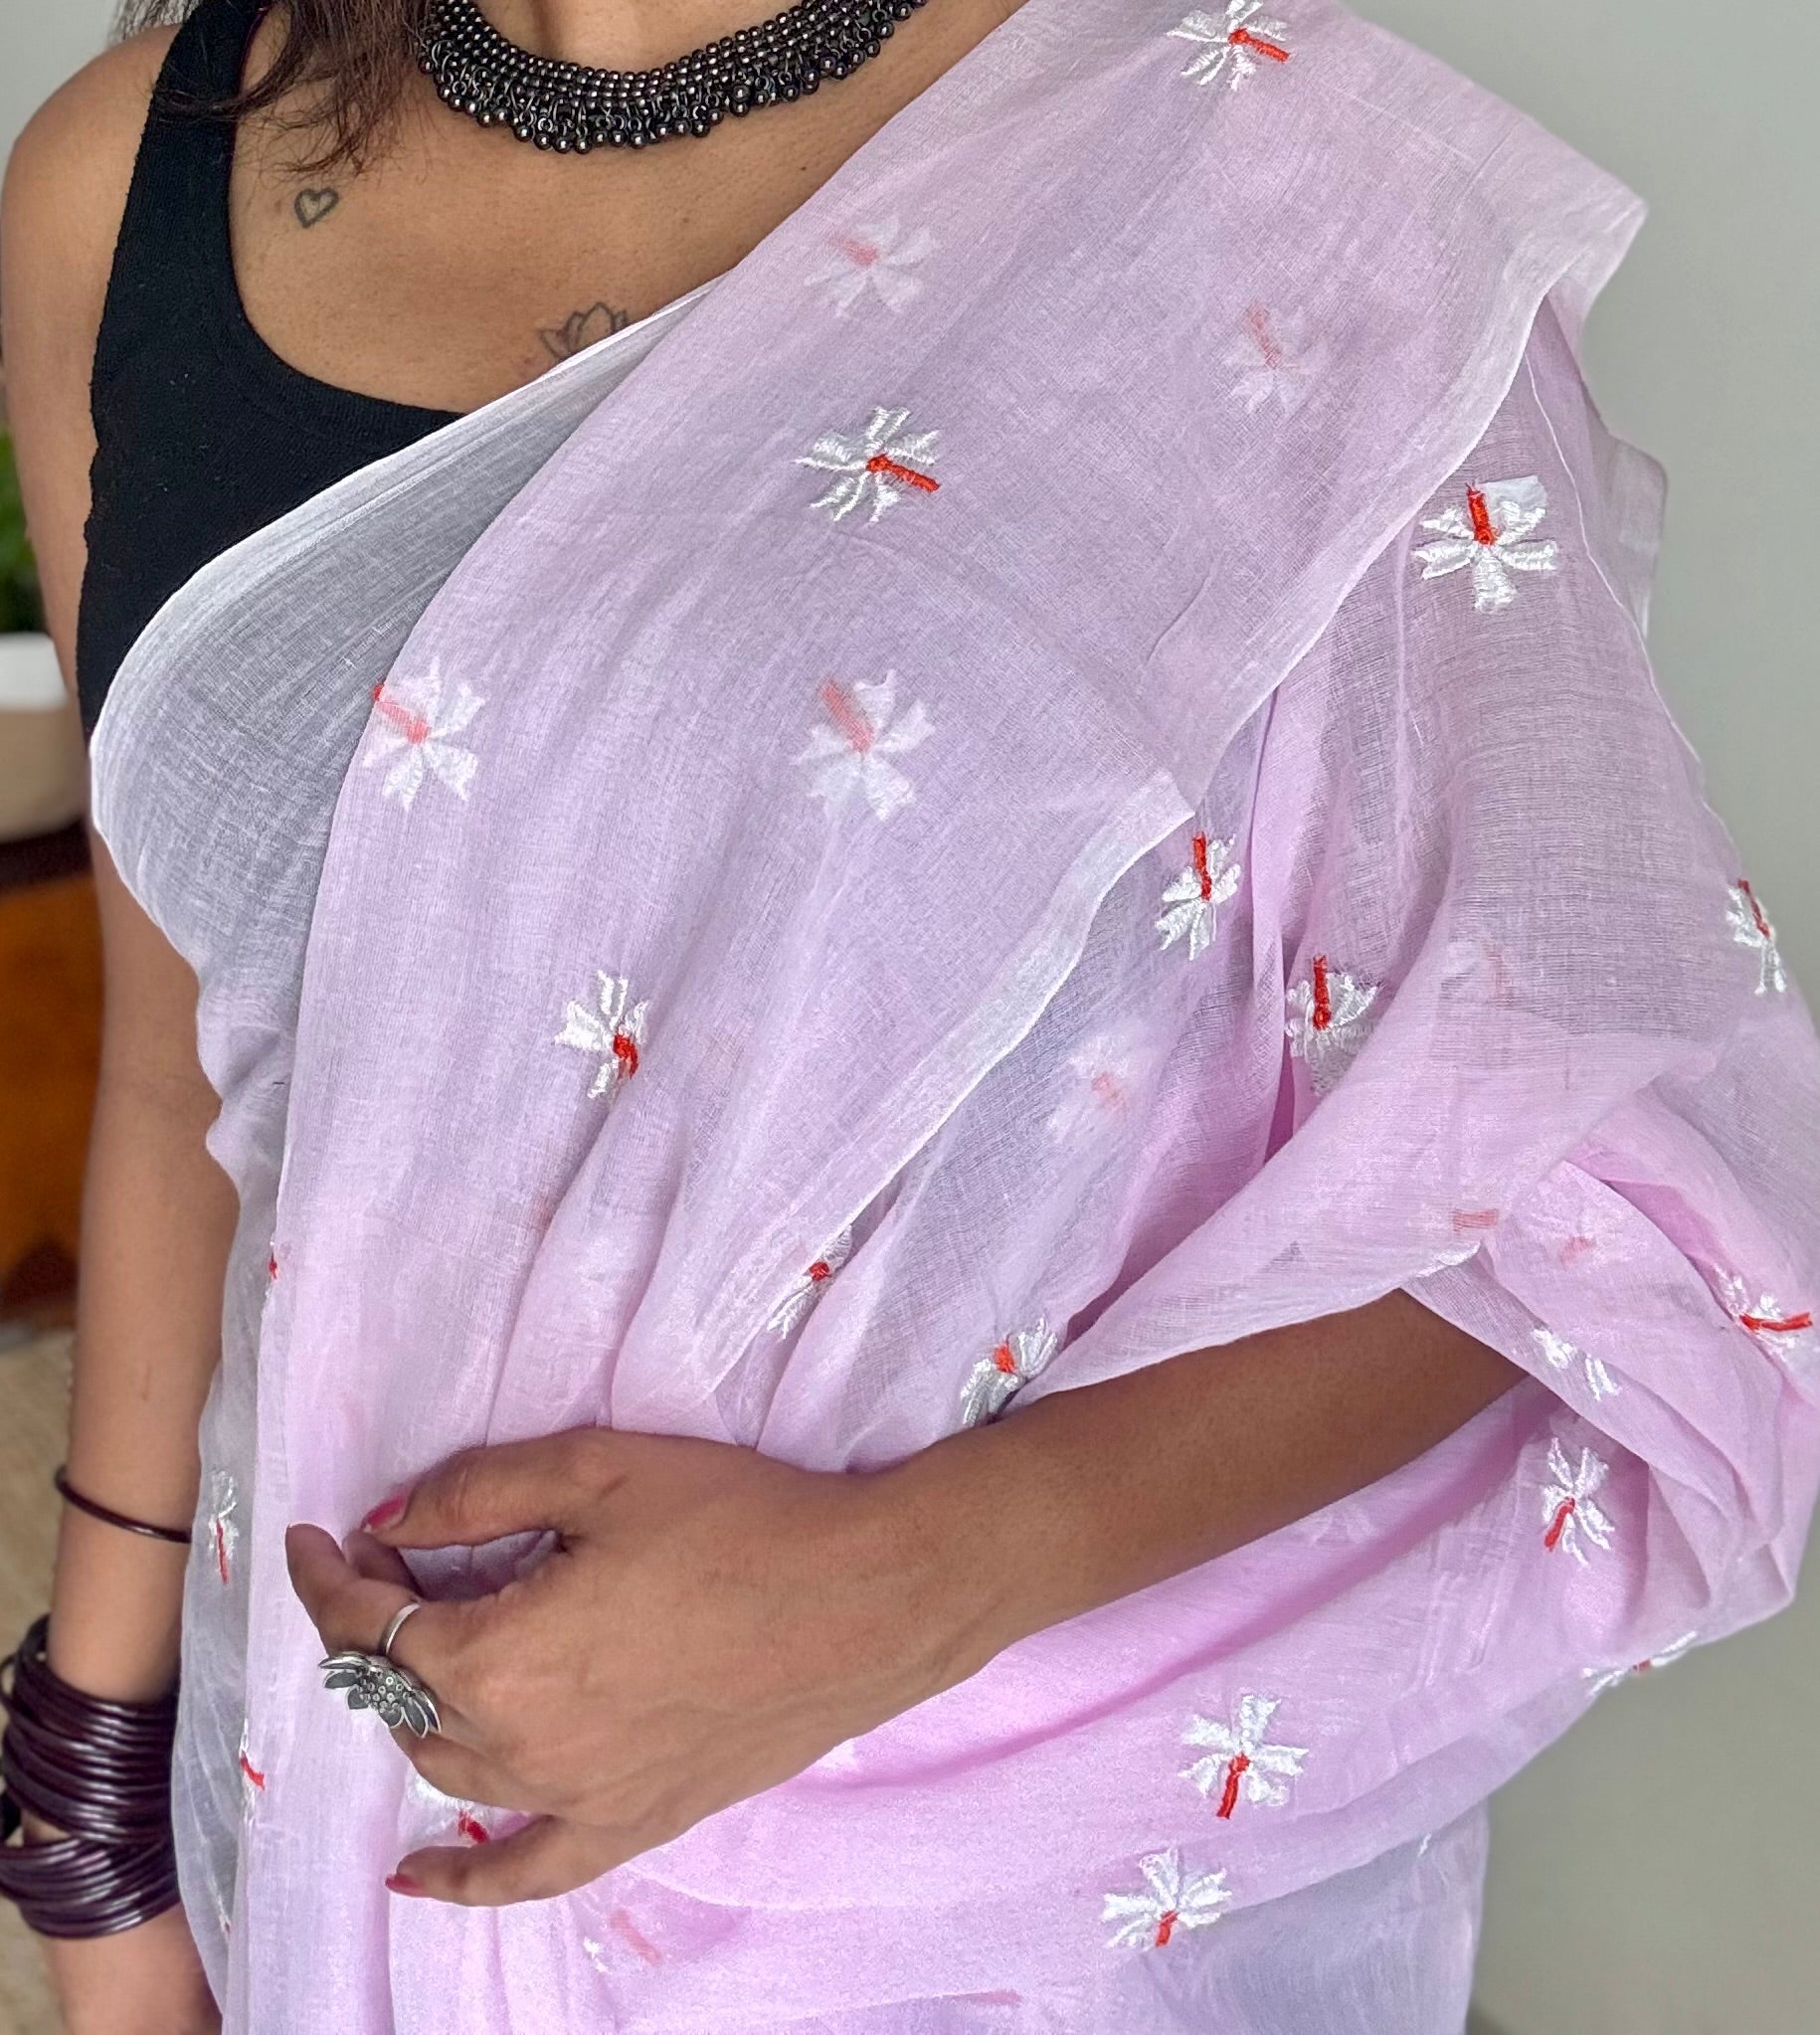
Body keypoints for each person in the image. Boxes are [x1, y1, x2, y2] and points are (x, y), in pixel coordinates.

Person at [3, 1, 1816, 2030]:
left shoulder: (1267, 196)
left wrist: (909, 1583)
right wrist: (96, 1812)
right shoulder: (132, 177)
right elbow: (192, 1073)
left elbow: (1570, 1167)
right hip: (340, 1805)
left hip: (996, 1876)